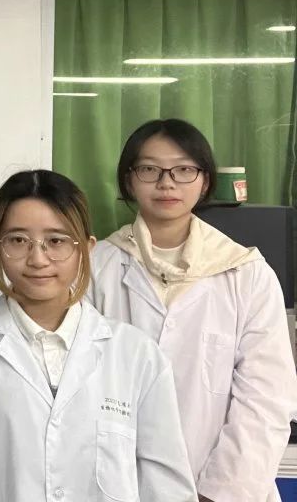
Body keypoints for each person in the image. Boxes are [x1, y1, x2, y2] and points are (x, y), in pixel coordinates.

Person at [0, 169, 197, 502]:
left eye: (57, 241)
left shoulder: (136, 354)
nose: (38, 259)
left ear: (87, 249)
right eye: (18, 240)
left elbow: (166, 486)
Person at [89, 119, 297, 502]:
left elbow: (267, 399)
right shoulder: (96, 268)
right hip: (116, 483)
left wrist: (219, 493)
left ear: (204, 181)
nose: (166, 183)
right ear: (129, 180)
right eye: (149, 169)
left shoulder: (246, 272)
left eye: (184, 170)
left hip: (222, 487)